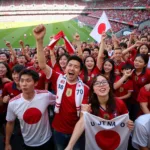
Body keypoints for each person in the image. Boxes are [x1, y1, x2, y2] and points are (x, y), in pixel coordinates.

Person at [33, 24, 89, 150]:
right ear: (65, 67)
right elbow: (42, 65)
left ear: (80, 72)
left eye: (76, 66)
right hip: (58, 129)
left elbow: (83, 118)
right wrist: (39, 41)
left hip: (76, 132)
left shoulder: (85, 89)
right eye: (70, 65)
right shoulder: (59, 78)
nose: (72, 68)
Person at [65, 74, 134, 150]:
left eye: (104, 82)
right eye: (97, 83)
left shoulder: (119, 103)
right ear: (93, 90)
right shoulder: (88, 105)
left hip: (115, 142)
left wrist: (129, 123)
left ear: (109, 86)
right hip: (95, 143)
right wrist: (70, 146)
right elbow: (81, 123)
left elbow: (126, 120)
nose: (101, 85)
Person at [5, 69, 56, 150]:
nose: (24, 84)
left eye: (28, 81)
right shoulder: (13, 103)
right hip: (27, 142)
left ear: (35, 83)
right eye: (22, 81)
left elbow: (60, 101)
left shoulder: (46, 95)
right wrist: (7, 143)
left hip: (47, 140)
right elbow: (10, 123)